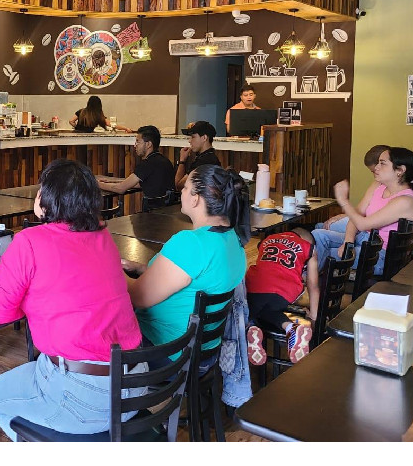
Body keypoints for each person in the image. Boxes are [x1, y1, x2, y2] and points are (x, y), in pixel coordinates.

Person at [0, 159, 144, 441]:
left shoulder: (29, 241)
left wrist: (24, 301)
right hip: (136, 385)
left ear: (46, 198)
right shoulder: (103, 235)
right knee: (37, 369)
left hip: (85, 397)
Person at [124, 165, 249, 371]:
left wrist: (113, 269)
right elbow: (191, 279)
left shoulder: (192, 243)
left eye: (185, 187)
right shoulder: (234, 240)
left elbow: (137, 297)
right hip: (204, 353)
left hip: (169, 355)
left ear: (195, 199)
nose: (181, 191)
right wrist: (142, 269)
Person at [312, 147, 413, 276]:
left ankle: (313, 283)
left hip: (382, 254)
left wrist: (344, 201)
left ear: (400, 170)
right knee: (318, 234)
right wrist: (348, 242)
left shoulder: (406, 201)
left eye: (382, 163)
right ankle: (313, 279)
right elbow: (357, 215)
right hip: (366, 239)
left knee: (319, 254)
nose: (376, 167)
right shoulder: (378, 186)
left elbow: (362, 224)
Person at [245, 228, 318, 366]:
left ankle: (250, 328)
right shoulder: (309, 248)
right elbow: (313, 285)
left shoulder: (267, 240)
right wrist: (314, 317)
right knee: (267, 309)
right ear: (306, 239)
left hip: (255, 286)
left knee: (247, 308)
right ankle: (291, 328)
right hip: (286, 291)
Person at [97, 125, 174, 209]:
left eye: (138, 142)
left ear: (148, 144)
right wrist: (112, 180)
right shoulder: (165, 161)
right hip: (167, 211)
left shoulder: (147, 164)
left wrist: (96, 184)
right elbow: (143, 184)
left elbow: (120, 188)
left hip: (151, 214)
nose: (135, 145)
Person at [319, 144, 390, 232]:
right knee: (323, 227)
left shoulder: (402, 199)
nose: (375, 175)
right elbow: (360, 211)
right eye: (373, 171)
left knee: (321, 230)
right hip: (361, 223)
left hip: (366, 228)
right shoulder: (377, 184)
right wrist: (342, 216)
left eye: (375, 171)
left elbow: (363, 224)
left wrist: (343, 201)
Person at [174, 120, 221, 191]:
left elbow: (179, 185)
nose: (189, 141)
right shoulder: (210, 157)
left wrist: (182, 161)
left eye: (193, 137)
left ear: (204, 138)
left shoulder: (203, 162)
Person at [68, 95, 132, 133]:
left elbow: (71, 121)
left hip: (76, 135)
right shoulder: (97, 115)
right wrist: (126, 128)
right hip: (88, 138)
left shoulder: (81, 111)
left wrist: (77, 127)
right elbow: (112, 125)